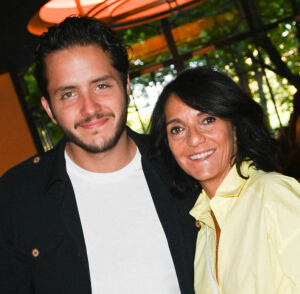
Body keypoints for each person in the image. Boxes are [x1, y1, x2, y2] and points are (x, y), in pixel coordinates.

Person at [0, 16, 198, 294]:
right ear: (49, 109)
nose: (89, 108)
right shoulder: (17, 196)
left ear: (126, 86)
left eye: (101, 85)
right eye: (68, 94)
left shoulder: (183, 164)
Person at [150, 66, 300, 294]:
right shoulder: (202, 227)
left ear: (236, 128)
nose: (194, 138)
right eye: (177, 129)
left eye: (208, 120)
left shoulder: (273, 194)